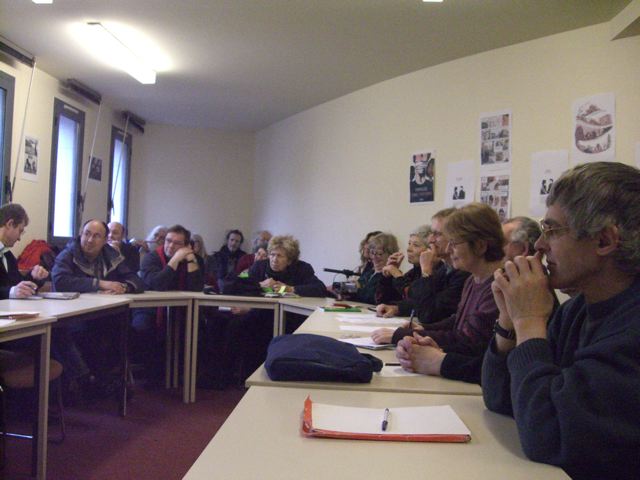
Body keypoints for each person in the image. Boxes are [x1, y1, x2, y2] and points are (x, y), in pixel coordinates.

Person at [483, 162, 640, 479]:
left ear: (604, 241)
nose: (540, 246)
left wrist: (528, 321)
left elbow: (548, 436)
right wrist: (508, 323)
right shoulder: (577, 309)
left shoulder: (631, 329)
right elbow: (503, 400)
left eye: (552, 231)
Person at [394, 203, 503, 383]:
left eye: (454, 242)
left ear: (481, 245)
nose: (448, 249)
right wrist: (423, 332)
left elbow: (469, 342)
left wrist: (407, 336)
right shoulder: (473, 279)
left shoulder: (499, 285)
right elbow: (458, 322)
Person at [221, 235, 326, 383]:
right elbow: (233, 285)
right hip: (259, 315)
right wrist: (259, 286)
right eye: (272, 254)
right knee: (236, 326)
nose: (274, 259)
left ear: (289, 259)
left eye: (280, 256)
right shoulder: (259, 266)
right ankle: (237, 377)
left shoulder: (302, 268)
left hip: (290, 317)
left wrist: (290, 288)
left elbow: (319, 288)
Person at [372, 208, 469, 344]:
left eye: (437, 234)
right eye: (409, 244)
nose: (431, 239)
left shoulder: (462, 274)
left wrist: (425, 272)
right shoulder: (445, 270)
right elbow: (416, 300)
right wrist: (398, 307)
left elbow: (428, 314)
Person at [136, 225, 204, 381]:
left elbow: (196, 288)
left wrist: (190, 259)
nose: (170, 246)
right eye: (168, 241)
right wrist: (175, 260)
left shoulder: (195, 259)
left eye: (177, 243)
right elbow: (158, 284)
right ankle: (152, 376)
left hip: (181, 309)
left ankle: (184, 376)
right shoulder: (151, 258)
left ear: (187, 246)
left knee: (197, 328)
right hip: (150, 308)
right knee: (143, 327)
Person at [52, 220, 144, 294]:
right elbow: (60, 281)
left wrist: (123, 288)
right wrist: (99, 284)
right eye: (87, 234)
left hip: (105, 307)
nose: (90, 240)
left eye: (97, 236)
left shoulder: (112, 256)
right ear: (81, 235)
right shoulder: (68, 254)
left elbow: (136, 280)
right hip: (74, 310)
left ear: (105, 240)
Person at [0, 203, 49, 299]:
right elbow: (12, 290)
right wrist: (10, 292)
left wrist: (34, 276)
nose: (19, 238)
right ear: (10, 224)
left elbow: (17, 285)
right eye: (20, 231)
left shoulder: (7, 255)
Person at [374, 225, 431, 306]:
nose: (409, 249)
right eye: (409, 243)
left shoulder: (434, 273)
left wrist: (398, 275)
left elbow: (417, 301)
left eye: (416, 245)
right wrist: (388, 277)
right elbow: (382, 301)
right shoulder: (412, 273)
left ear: (430, 250)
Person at [353, 232, 398, 304]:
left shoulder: (391, 276)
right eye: (372, 252)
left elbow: (375, 299)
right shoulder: (369, 273)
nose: (374, 257)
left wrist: (357, 289)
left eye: (379, 254)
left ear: (391, 254)